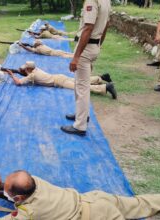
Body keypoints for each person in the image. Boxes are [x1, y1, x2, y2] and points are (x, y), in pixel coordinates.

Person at [0, 170, 160, 220]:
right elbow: (17, 192)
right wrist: (0, 184)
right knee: (144, 203)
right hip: (96, 198)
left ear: (19, 199)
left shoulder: (28, 213)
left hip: (98, 217)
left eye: (5, 188)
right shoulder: (35, 181)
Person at [60, 0, 111, 136]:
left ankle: (80, 126)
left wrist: (76, 57)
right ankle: (82, 115)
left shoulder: (92, 1)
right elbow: (106, 25)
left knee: (82, 87)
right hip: (93, 46)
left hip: (86, 48)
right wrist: (98, 46)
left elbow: (88, 28)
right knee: (80, 85)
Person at [5, 61, 117, 99]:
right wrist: (21, 71)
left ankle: (105, 87)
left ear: (28, 69)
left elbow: (19, 83)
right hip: (59, 77)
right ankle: (101, 78)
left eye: (25, 69)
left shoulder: (32, 75)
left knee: (79, 87)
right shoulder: (35, 69)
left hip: (59, 81)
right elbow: (27, 73)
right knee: (79, 82)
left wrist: (11, 74)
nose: (24, 70)